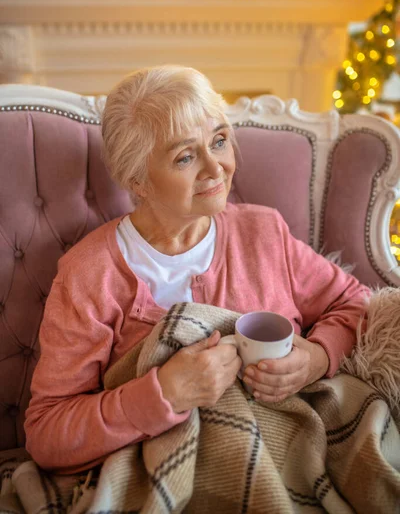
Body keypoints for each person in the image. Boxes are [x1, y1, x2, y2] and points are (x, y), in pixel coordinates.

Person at [25, 65, 369, 473]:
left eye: (219, 141)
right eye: (185, 156)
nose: (215, 167)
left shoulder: (264, 232)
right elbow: (47, 432)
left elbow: (357, 303)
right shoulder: (89, 275)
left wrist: (317, 356)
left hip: (291, 460)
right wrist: (164, 394)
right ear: (138, 179)